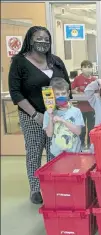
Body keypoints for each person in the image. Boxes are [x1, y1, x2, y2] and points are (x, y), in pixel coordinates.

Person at [8, 26, 70, 204]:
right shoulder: (20, 62)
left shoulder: (56, 61)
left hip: (56, 115)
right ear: (30, 39)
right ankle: (35, 189)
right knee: (34, 151)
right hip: (32, 116)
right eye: (38, 38)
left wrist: (64, 110)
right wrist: (36, 115)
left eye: (46, 38)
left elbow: (66, 86)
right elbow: (16, 93)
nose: (43, 42)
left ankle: (53, 186)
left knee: (55, 152)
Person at [43, 78, 85, 157]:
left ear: (68, 93)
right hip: (56, 154)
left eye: (63, 93)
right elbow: (49, 134)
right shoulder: (48, 113)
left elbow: (78, 131)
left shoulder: (76, 111)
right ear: (52, 95)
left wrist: (63, 120)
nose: (60, 96)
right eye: (57, 94)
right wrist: (50, 116)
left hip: (74, 153)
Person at [71, 60, 96, 149]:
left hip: (91, 108)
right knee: (81, 128)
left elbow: (98, 91)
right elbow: (72, 89)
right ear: (81, 68)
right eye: (85, 67)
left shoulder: (94, 80)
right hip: (80, 108)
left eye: (89, 67)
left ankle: (90, 145)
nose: (87, 69)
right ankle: (81, 145)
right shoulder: (78, 78)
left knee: (91, 128)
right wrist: (76, 91)